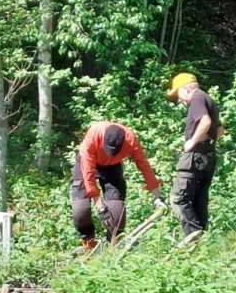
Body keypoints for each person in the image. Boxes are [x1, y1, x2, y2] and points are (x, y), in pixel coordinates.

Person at [71, 122, 165, 251]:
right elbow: (88, 175)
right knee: (80, 209)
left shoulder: (130, 139)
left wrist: (157, 196)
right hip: (86, 162)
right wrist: (100, 207)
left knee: (117, 211)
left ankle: (113, 246)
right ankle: (89, 245)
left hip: (112, 167)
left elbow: (144, 166)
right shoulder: (93, 137)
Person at [167, 72, 224, 244]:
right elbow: (220, 129)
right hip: (208, 157)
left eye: (179, 95)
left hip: (195, 158)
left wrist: (192, 142)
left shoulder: (197, 98)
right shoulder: (208, 99)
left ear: (186, 89)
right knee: (199, 199)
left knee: (178, 198)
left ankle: (193, 238)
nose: (181, 100)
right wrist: (207, 144)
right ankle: (201, 241)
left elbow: (205, 122)